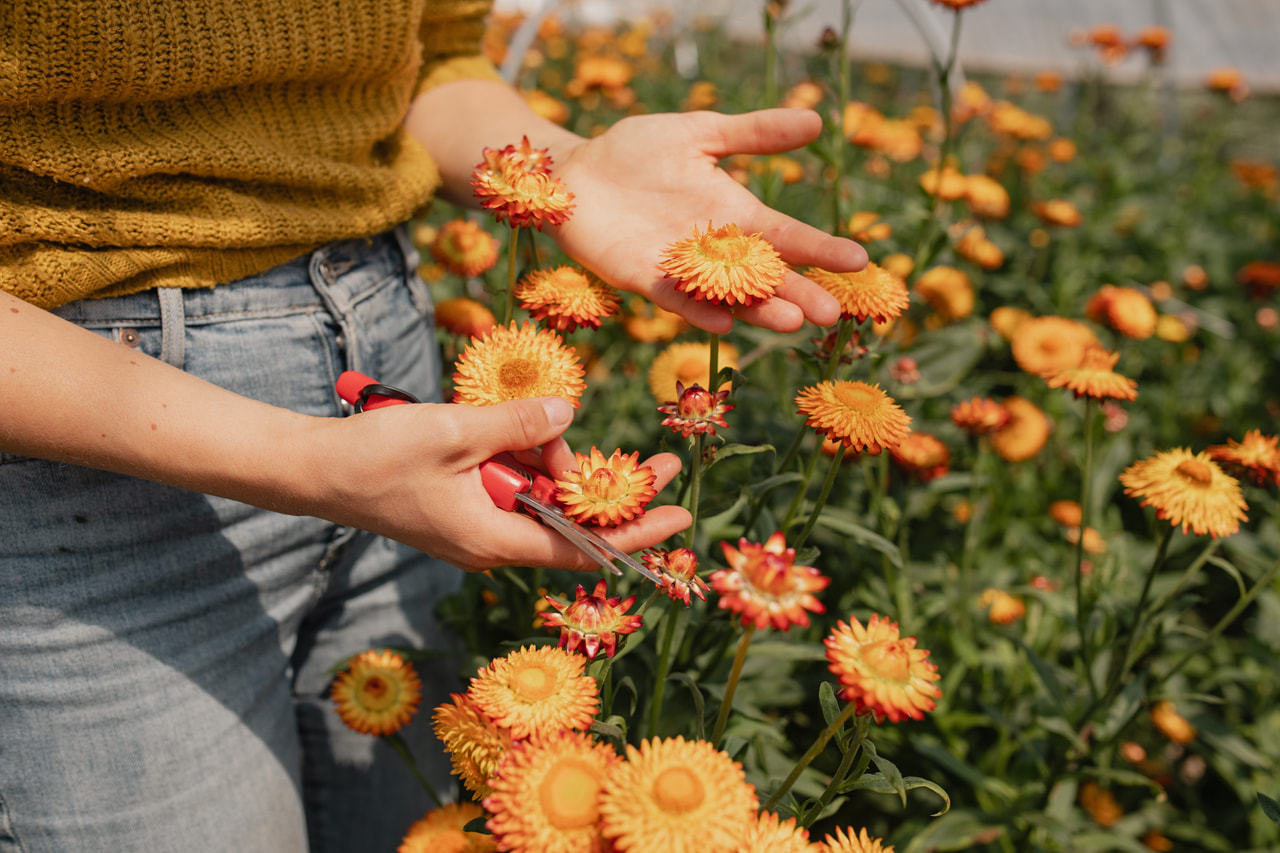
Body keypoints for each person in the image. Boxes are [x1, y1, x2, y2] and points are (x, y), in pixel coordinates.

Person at [0, 1, 868, 851]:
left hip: (399, 377)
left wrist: (566, 169)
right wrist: (305, 461)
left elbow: (435, 57)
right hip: (93, 446)